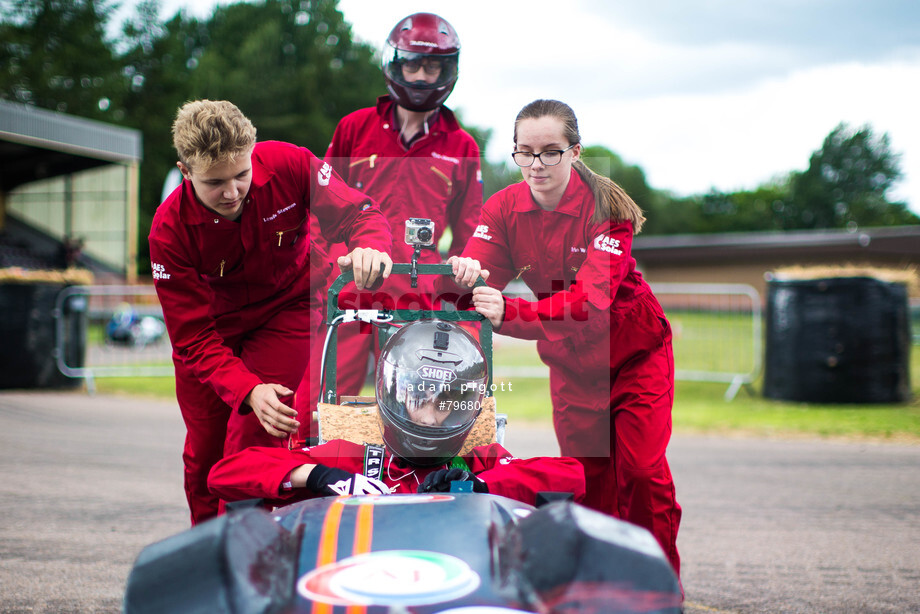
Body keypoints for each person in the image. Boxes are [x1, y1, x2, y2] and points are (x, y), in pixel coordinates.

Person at [460, 99, 682, 575]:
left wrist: (510, 311)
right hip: (572, 368)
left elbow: (590, 303)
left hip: (633, 358)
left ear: (575, 152)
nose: (536, 165)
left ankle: (657, 581)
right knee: (589, 477)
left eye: (550, 152)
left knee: (641, 473)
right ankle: (600, 581)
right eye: (525, 152)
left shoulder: (607, 208)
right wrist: (460, 277)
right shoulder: (502, 208)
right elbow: (474, 277)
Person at [149, 99, 393, 525]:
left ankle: (252, 547)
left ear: (254, 150)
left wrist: (371, 245)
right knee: (204, 454)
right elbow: (192, 338)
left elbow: (359, 212)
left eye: (241, 175)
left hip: (287, 311)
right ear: (185, 172)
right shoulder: (168, 233)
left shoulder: (292, 164)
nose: (231, 192)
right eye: (214, 182)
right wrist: (246, 388)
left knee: (257, 437)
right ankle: (209, 548)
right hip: (212, 335)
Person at [297, 12, 484, 414]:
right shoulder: (354, 128)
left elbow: (472, 231)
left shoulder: (462, 145)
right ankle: (317, 475)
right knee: (321, 405)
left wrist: (457, 292)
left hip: (418, 297)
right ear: (395, 64)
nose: (420, 75)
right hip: (347, 286)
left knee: (411, 409)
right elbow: (318, 207)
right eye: (412, 63)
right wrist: (326, 269)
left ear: (447, 69)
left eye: (432, 65)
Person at [210, 320, 585, 506]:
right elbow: (224, 474)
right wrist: (318, 475)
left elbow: (572, 477)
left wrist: (479, 486)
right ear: (395, 394)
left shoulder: (478, 463)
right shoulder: (349, 458)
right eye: (420, 397)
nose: (429, 417)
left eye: (445, 404)